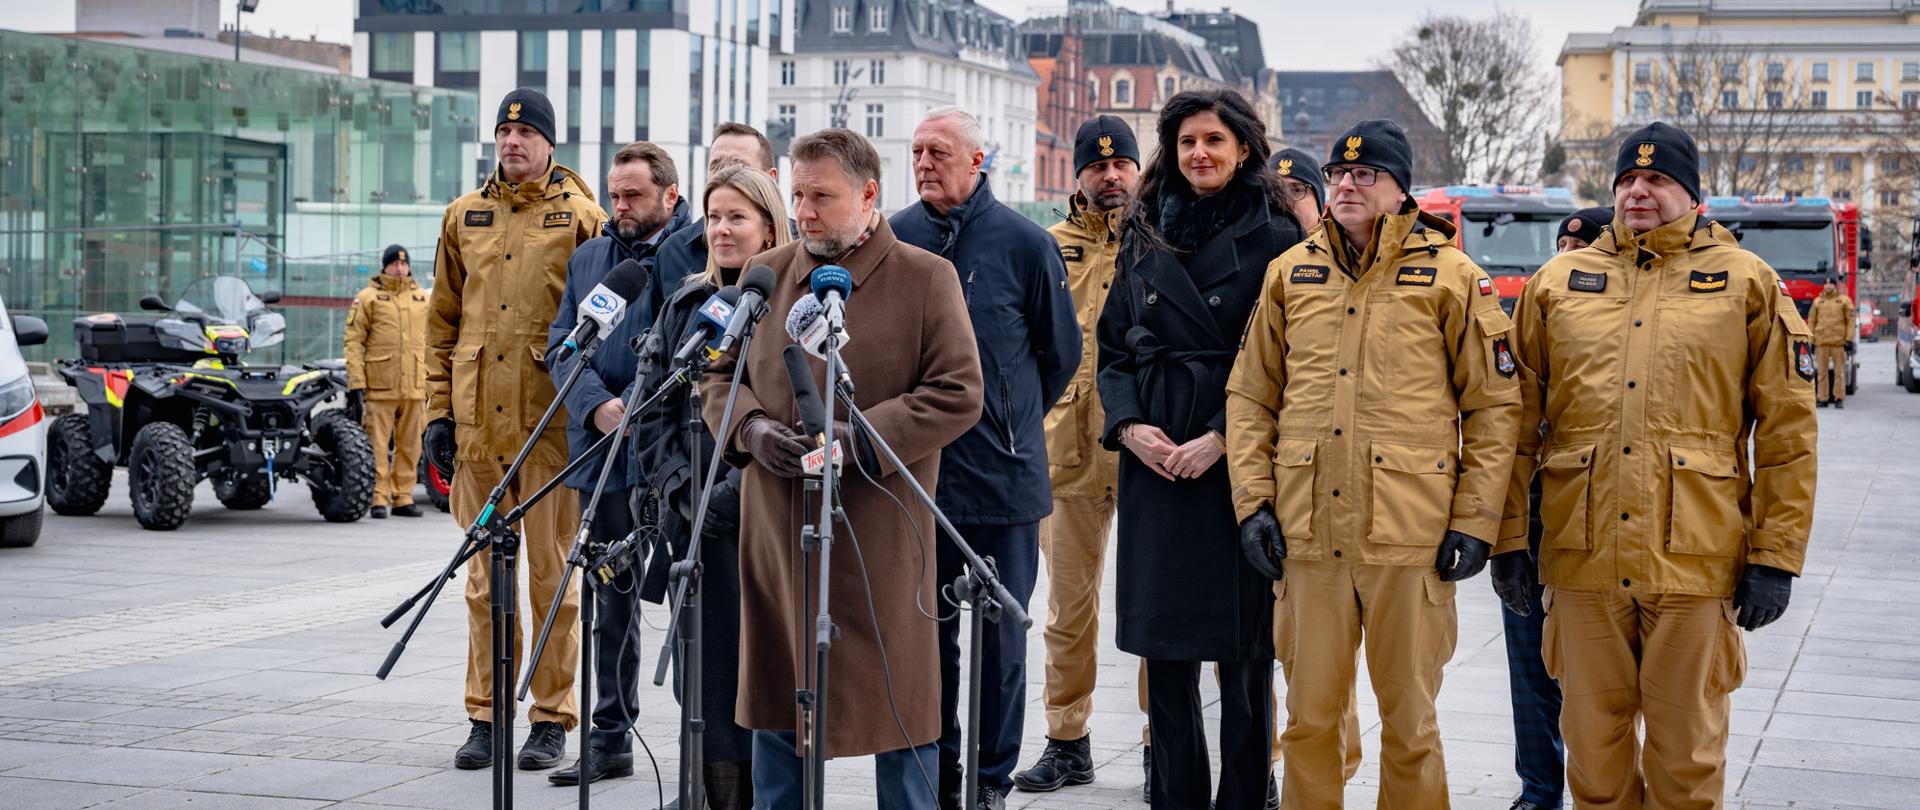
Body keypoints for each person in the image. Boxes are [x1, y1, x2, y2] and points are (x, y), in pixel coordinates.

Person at [1500, 121, 1817, 810]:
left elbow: (1789, 433)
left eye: (1658, 179)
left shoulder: (1747, 284)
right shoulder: (1556, 284)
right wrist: (1507, 539)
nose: (1638, 191)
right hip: (1580, 562)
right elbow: (1513, 425)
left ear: (1693, 196)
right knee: (1594, 756)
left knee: (1687, 759)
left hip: (1697, 562)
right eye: (1627, 180)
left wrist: (1776, 557)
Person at [1226, 118, 1521, 810]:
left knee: (1411, 722)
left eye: (1366, 174)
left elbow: (1495, 408)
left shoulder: (1453, 278)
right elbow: (1248, 397)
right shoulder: (1291, 272)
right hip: (1307, 536)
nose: (1347, 185)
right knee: (1308, 721)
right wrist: (1253, 504)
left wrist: (1475, 523)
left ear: (1400, 189)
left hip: (1409, 538)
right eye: (1337, 173)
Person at [701, 128, 983, 809]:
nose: (804, 211)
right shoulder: (767, 273)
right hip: (778, 537)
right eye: (797, 195)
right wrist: (751, 428)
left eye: (821, 196)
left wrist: (858, 442)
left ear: (868, 194)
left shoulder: (925, 276)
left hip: (881, 540)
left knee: (901, 715)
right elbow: (716, 378)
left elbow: (958, 392)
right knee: (777, 709)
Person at [1098, 88, 1302, 810]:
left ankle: (1245, 797)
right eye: (1186, 142)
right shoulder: (1144, 226)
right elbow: (1114, 344)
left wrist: (1224, 437)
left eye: (1213, 140)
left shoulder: (1278, 236)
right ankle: (1174, 797)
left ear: (1244, 147)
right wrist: (1128, 428)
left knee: (1246, 655)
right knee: (1166, 651)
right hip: (1154, 460)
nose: (1199, 155)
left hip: (1233, 466)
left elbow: (1286, 360)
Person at [889, 106, 1080, 810]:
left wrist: (1009, 417)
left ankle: (991, 779)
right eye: (916, 151)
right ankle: (938, 773)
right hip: (922, 479)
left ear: (978, 160)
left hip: (1005, 479)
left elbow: (1060, 355)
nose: (924, 162)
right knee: (929, 641)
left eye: (939, 150)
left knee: (1003, 645)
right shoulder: (896, 238)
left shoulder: (1026, 244)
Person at [424, 87, 607, 772]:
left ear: (550, 143)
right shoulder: (462, 217)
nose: (513, 141)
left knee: (551, 578)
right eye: (505, 132)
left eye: (527, 132)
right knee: (482, 583)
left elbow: (602, 324)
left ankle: (551, 716)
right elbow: (440, 324)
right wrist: (437, 414)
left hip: (550, 430)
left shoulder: (582, 218)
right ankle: (485, 715)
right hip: (478, 431)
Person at [619, 163, 793, 807]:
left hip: (769, 523)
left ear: (771, 226)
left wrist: (734, 491)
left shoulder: (793, 306)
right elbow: (656, 413)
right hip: (696, 529)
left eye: (737, 217)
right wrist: (682, 492)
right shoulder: (687, 305)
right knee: (707, 675)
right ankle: (709, 790)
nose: (720, 228)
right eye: (715, 216)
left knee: (766, 673)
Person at [543, 140, 692, 787]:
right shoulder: (589, 261)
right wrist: (598, 405)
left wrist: (638, 404)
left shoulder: (691, 258)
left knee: (688, 596)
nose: (620, 205)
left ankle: (705, 748)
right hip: (602, 455)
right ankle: (609, 735)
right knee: (609, 601)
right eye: (614, 193)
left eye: (633, 194)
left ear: (671, 196)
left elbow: (688, 346)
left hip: (671, 456)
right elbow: (560, 345)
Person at [1007, 115, 1138, 796]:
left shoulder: (1162, 246)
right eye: (1097, 166)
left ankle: (1160, 744)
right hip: (1063, 451)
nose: (1110, 176)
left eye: (1121, 165)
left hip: (1146, 452)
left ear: (1139, 171)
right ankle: (1067, 740)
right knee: (1067, 608)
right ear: (1078, 175)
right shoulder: (1046, 247)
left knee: (1153, 609)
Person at [1484, 205, 1608, 810]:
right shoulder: (1532, 317)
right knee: (1529, 669)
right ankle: (1539, 787)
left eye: (1582, 247)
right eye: (1562, 244)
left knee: (1594, 680)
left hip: (1596, 527)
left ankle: (1598, 785)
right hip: (1533, 526)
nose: (1568, 255)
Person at [653, 122, 783, 314]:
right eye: (716, 165)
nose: (725, 172)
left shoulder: (801, 253)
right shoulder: (673, 251)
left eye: (739, 165)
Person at [343, 243, 428, 520]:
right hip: (380, 387)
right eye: (395, 264)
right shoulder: (367, 298)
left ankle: (403, 496)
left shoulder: (421, 298)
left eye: (404, 264)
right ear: (385, 266)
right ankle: (377, 497)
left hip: (416, 385)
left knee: (411, 445)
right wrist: (356, 382)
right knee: (377, 445)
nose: (400, 268)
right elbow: (353, 342)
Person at [1807, 278, 1855, 408]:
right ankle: (1822, 398)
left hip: (1838, 343)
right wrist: (1810, 341)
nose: (1828, 286)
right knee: (1821, 373)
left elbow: (1850, 321)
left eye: (1831, 284)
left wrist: (1849, 339)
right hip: (1821, 342)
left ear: (1835, 286)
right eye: (1826, 284)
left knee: (1839, 373)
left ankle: (1839, 398)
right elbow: (1811, 321)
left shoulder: (1844, 301)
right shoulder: (1817, 302)